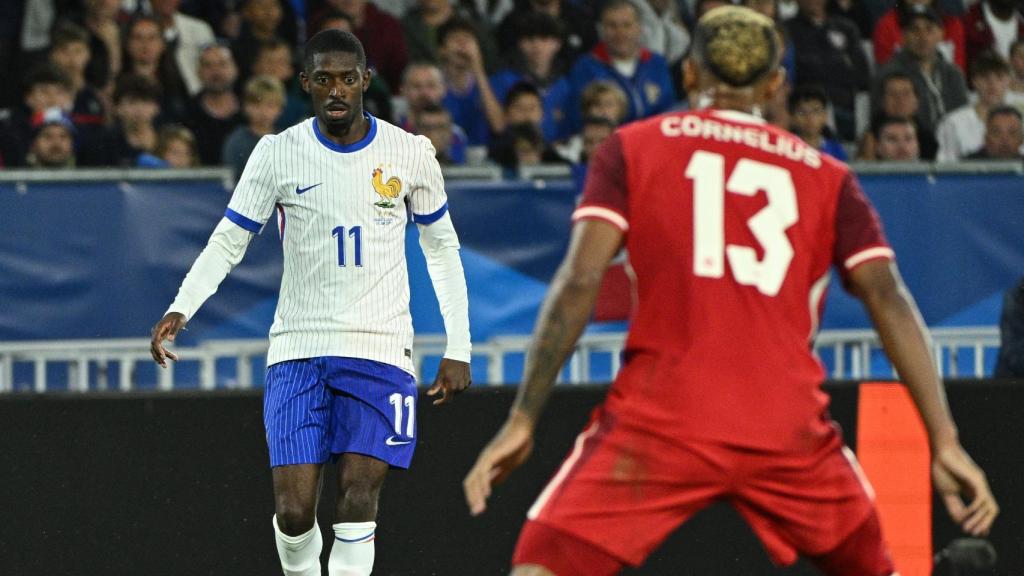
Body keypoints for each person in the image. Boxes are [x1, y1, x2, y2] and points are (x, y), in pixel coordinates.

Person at [464, 7, 999, 576]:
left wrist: (524, 419)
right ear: (775, 85)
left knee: (542, 565)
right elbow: (889, 297)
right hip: (786, 426)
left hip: (664, 415)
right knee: (874, 568)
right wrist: (944, 438)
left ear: (689, 75)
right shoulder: (828, 177)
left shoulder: (632, 147)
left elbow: (578, 281)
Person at [150, 29, 471, 576]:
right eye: (324, 79)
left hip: (381, 348)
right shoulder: (277, 153)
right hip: (298, 347)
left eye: (348, 78)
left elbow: (441, 249)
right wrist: (183, 305)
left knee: (357, 499)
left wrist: (458, 344)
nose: (337, 90)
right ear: (305, 84)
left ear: (366, 80)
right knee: (295, 512)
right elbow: (230, 238)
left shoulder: (410, 153)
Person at [936, 51, 1024, 161]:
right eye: (985, 77)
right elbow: (945, 167)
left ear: (1008, 81)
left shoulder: (1020, 121)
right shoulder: (953, 123)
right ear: (974, 81)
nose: (992, 84)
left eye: (999, 77)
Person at [223, 74, 287, 179]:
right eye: (257, 105)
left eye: (270, 105)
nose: (263, 111)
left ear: (280, 108)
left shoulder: (287, 141)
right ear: (245, 107)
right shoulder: (236, 142)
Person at [788, 83, 848, 159]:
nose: (809, 118)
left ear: (825, 115)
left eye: (816, 111)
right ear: (792, 117)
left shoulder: (836, 150)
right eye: (802, 112)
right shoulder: (786, 148)